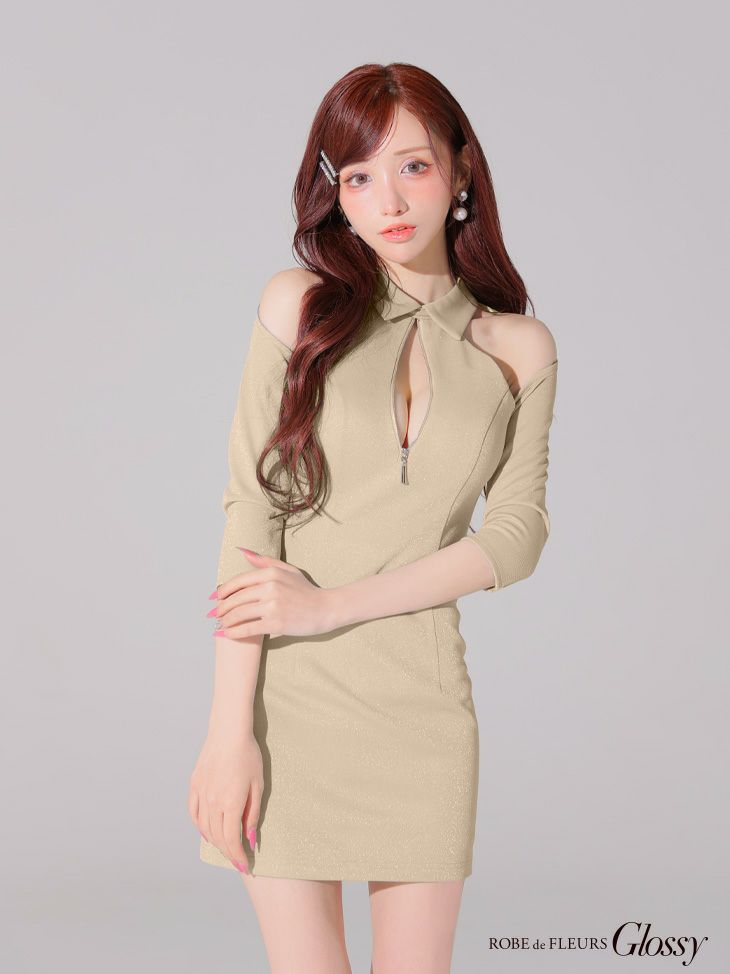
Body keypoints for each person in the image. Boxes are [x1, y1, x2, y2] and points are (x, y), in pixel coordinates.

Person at [188, 61, 558, 974]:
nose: (386, 201)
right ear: (335, 191)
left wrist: (331, 605)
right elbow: (253, 513)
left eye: (413, 167)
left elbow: (516, 536)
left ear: (461, 170)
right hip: (284, 708)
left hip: (422, 710)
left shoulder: (516, 348)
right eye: (357, 176)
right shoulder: (297, 307)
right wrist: (228, 734)